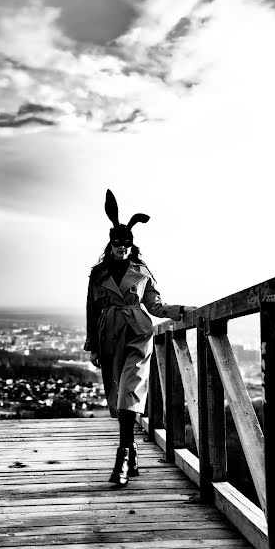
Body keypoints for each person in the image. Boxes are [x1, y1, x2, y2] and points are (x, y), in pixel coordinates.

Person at [84, 189, 196, 486]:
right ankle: (132, 451)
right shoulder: (97, 274)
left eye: (126, 243)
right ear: (111, 244)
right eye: (117, 243)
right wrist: (92, 346)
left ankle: (122, 457)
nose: (121, 247)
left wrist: (181, 311)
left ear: (131, 245)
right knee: (118, 393)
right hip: (108, 336)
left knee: (128, 393)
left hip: (138, 334)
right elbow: (91, 311)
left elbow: (155, 305)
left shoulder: (142, 271)